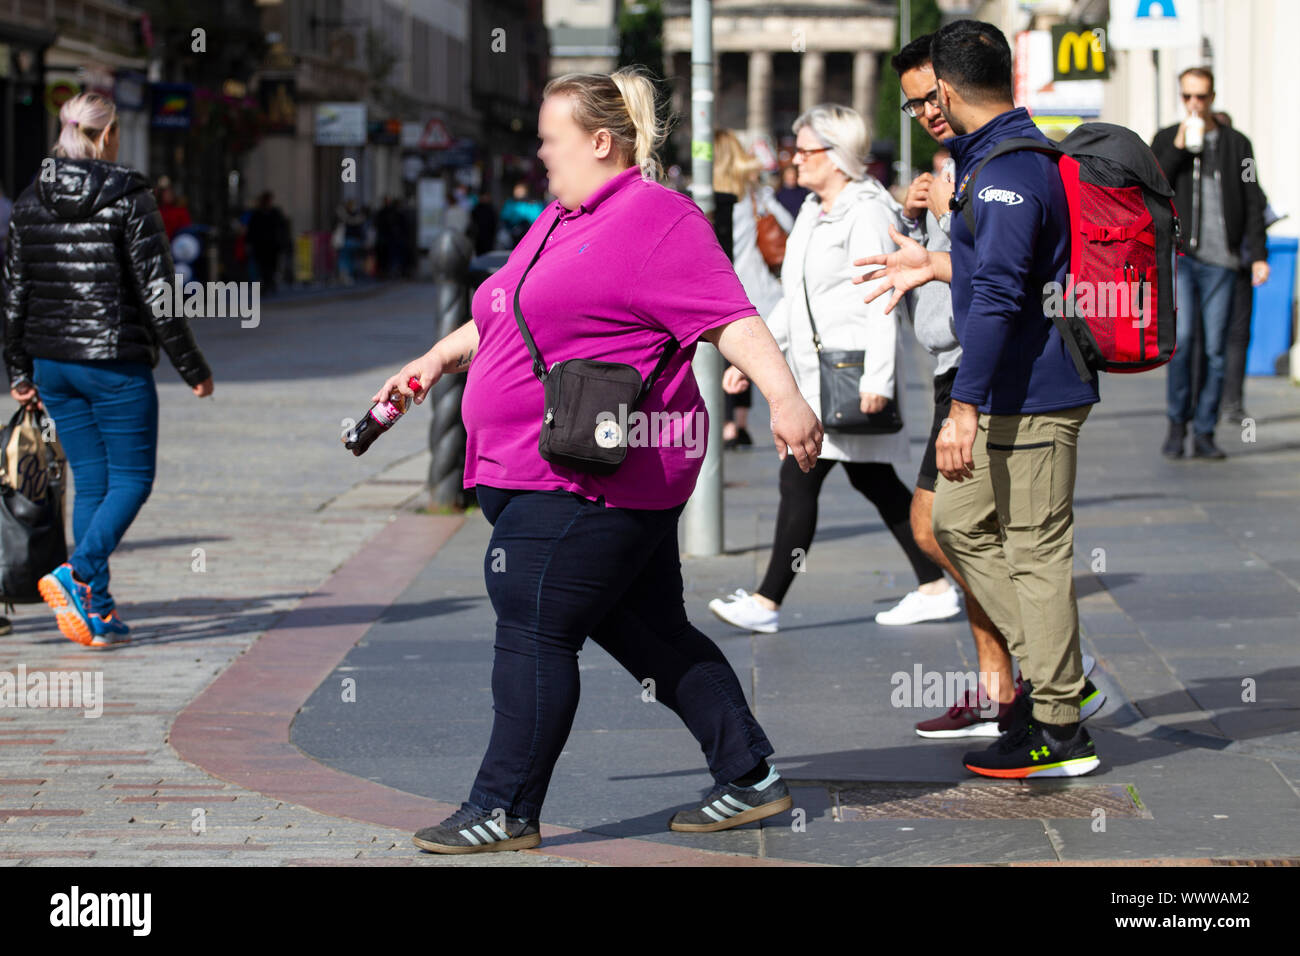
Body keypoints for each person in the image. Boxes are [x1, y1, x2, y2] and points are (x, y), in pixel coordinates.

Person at [373, 66, 822, 853]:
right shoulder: (559, 217)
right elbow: (509, 312)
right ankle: (748, 775)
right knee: (649, 631)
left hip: (598, 476)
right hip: (529, 467)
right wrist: (436, 359)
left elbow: (732, 317)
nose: (541, 155)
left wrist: (786, 400)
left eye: (552, 141)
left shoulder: (658, 218)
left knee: (535, 622)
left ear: (601, 141)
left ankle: (504, 807)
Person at [858, 20, 1101, 778]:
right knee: (959, 526)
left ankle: (1060, 729)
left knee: (1035, 553)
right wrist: (934, 262)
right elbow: (1007, 275)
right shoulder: (999, 163)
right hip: (1015, 388)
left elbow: (998, 296)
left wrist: (963, 407)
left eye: (923, 100)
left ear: (952, 89)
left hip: (1032, 393)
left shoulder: (1005, 173)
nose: (923, 113)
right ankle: (1061, 677)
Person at [708, 103, 946, 635]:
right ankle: (934, 583)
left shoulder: (865, 211)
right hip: (819, 372)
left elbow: (878, 294)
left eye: (807, 151)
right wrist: (754, 359)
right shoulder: (816, 210)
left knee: (803, 477)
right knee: (871, 483)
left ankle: (768, 603)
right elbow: (797, 299)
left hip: (850, 373)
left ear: (837, 157)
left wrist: (880, 381)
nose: (795, 161)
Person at [1, 92, 214, 648]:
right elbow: (158, 294)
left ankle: (97, 607)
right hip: (113, 363)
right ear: (106, 134)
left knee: (95, 482)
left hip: (53, 366)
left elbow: (14, 295)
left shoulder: (29, 199)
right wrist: (191, 366)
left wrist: (18, 370)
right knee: (134, 479)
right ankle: (76, 574)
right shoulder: (128, 196)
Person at [1151, 67, 1269, 460]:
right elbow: (1154, 186)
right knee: (1183, 344)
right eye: (1187, 97)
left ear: (1213, 97)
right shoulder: (1168, 138)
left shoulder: (1237, 145)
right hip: (1181, 255)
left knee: (1216, 350)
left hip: (1223, 260)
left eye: (1201, 97)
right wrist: (1180, 148)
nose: (1194, 105)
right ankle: (1175, 425)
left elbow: (1253, 200)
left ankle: (1204, 430)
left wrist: (1259, 256)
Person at [713, 129, 794, 449]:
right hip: (755, 288)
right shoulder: (754, 194)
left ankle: (727, 424)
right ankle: (741, 424)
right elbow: (786, 224)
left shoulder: (706, 199)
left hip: (724, 287)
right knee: (744, 353)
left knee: (723, 353)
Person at [246, 191, 287, 294]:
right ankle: (265, 283)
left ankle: (270, 282)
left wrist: (282, 242)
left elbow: (281, 229)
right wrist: (249, 243)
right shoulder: (257, 214)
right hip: (260, 246)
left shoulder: (275, 213)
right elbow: (252, 230)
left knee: (272, 265)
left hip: (273, 245)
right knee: (262, 266)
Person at [468, 188, 499, 256]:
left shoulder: (491, 209)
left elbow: (494, 222)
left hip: (488, 236)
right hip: (479, 236)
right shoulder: (477, 209)